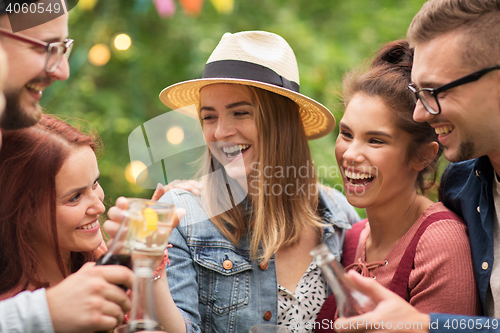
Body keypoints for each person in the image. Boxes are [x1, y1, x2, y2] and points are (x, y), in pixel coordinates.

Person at [106, 30, 360, 333]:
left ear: (283, 122)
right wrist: (148, 261)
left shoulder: (337, 214)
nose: (221, 132)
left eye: (240, 113)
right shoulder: (182, 215)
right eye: (209, 117)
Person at [334, 0, 500, 332]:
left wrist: (427, 324)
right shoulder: (465, 184)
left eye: (435, 91)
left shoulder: (441, 235)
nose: (420, 113)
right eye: (418, 91)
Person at [0, 3, 136, 332]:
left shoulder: (94, 261)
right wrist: (45, 313)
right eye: (48, 47)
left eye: (64, 48)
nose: (62, 71)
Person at [0, 115, 134, 329]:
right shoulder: (14, 314)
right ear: (24, 213)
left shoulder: (102, 255)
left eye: (95, 183)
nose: (100, 207)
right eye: (74, 197)